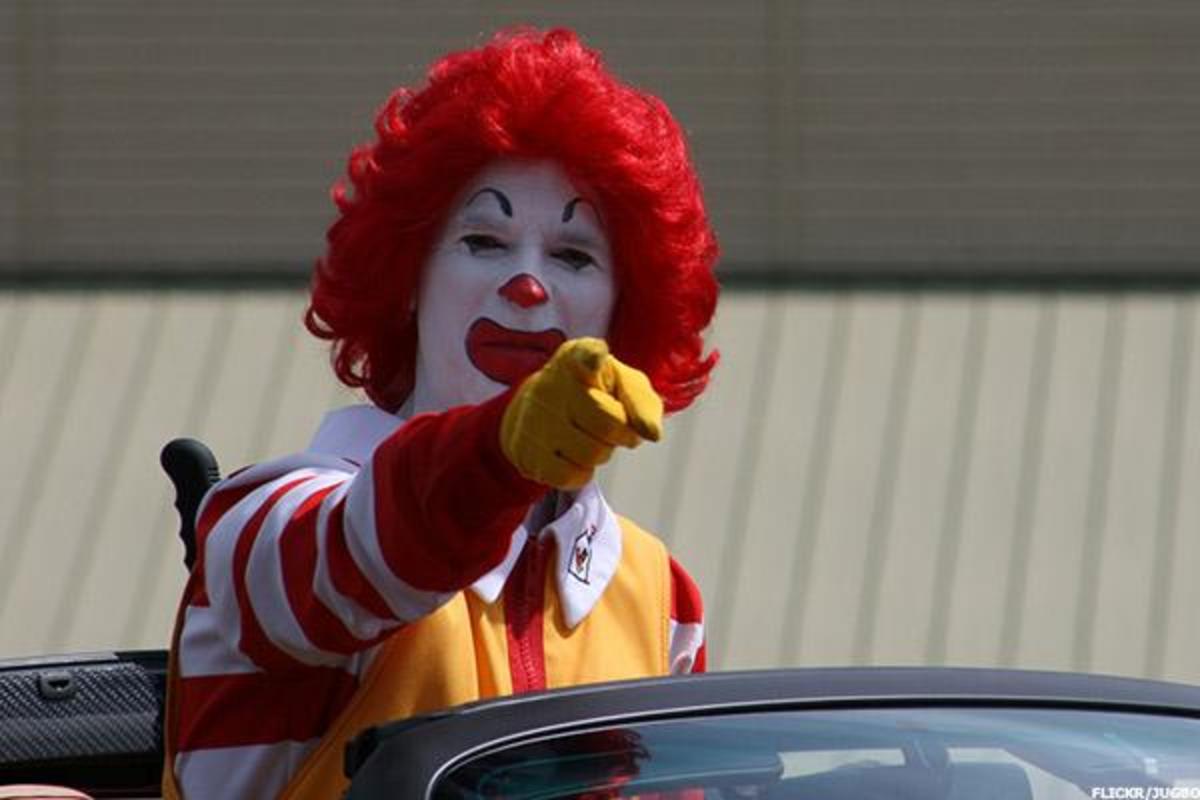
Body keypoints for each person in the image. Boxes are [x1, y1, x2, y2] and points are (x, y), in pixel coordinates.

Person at [161, 26, 720, 799]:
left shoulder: (661, 598)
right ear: (407, 279)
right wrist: (498, 456)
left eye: (573, 255)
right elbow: (367, 553)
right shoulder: (260, 525)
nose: (527, 285)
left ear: (625, 309)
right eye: (484, 241)